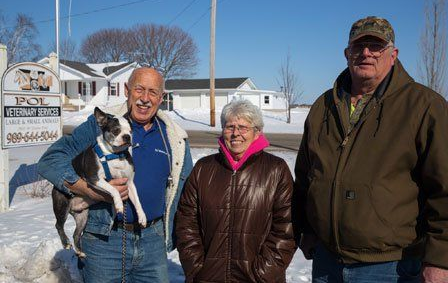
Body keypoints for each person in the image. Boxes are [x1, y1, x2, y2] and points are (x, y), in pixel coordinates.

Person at [294, 16, 448, 282]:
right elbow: (306, 176)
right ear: (346, 53)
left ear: (393, 54)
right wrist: (307, 230)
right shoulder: (323, 107)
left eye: (376, 46)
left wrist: (440, 259)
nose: (366, 53)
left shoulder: (424, 106)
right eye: (358, 46)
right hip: (327, 262)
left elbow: (444, 189)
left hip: (391, 265)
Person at [37, 67, 193, 283]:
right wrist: (87, 189)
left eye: (153, 92)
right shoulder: (102, 125)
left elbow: (187, 196)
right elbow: (50, 160)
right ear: (127, 90)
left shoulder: (175, 137)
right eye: (139, 89)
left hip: (152, 241)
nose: (145, 99)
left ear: (161, 97)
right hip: (104, 241)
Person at [175, 99, 296, 283]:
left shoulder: (276, 170)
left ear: (257, 133)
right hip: (209, 277)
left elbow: (287, 229)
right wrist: (198, 269)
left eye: (243, 127)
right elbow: (186, 222)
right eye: (229, 127)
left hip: (258, 278)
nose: (235, 133)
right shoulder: (203, 168)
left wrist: (262, 274)